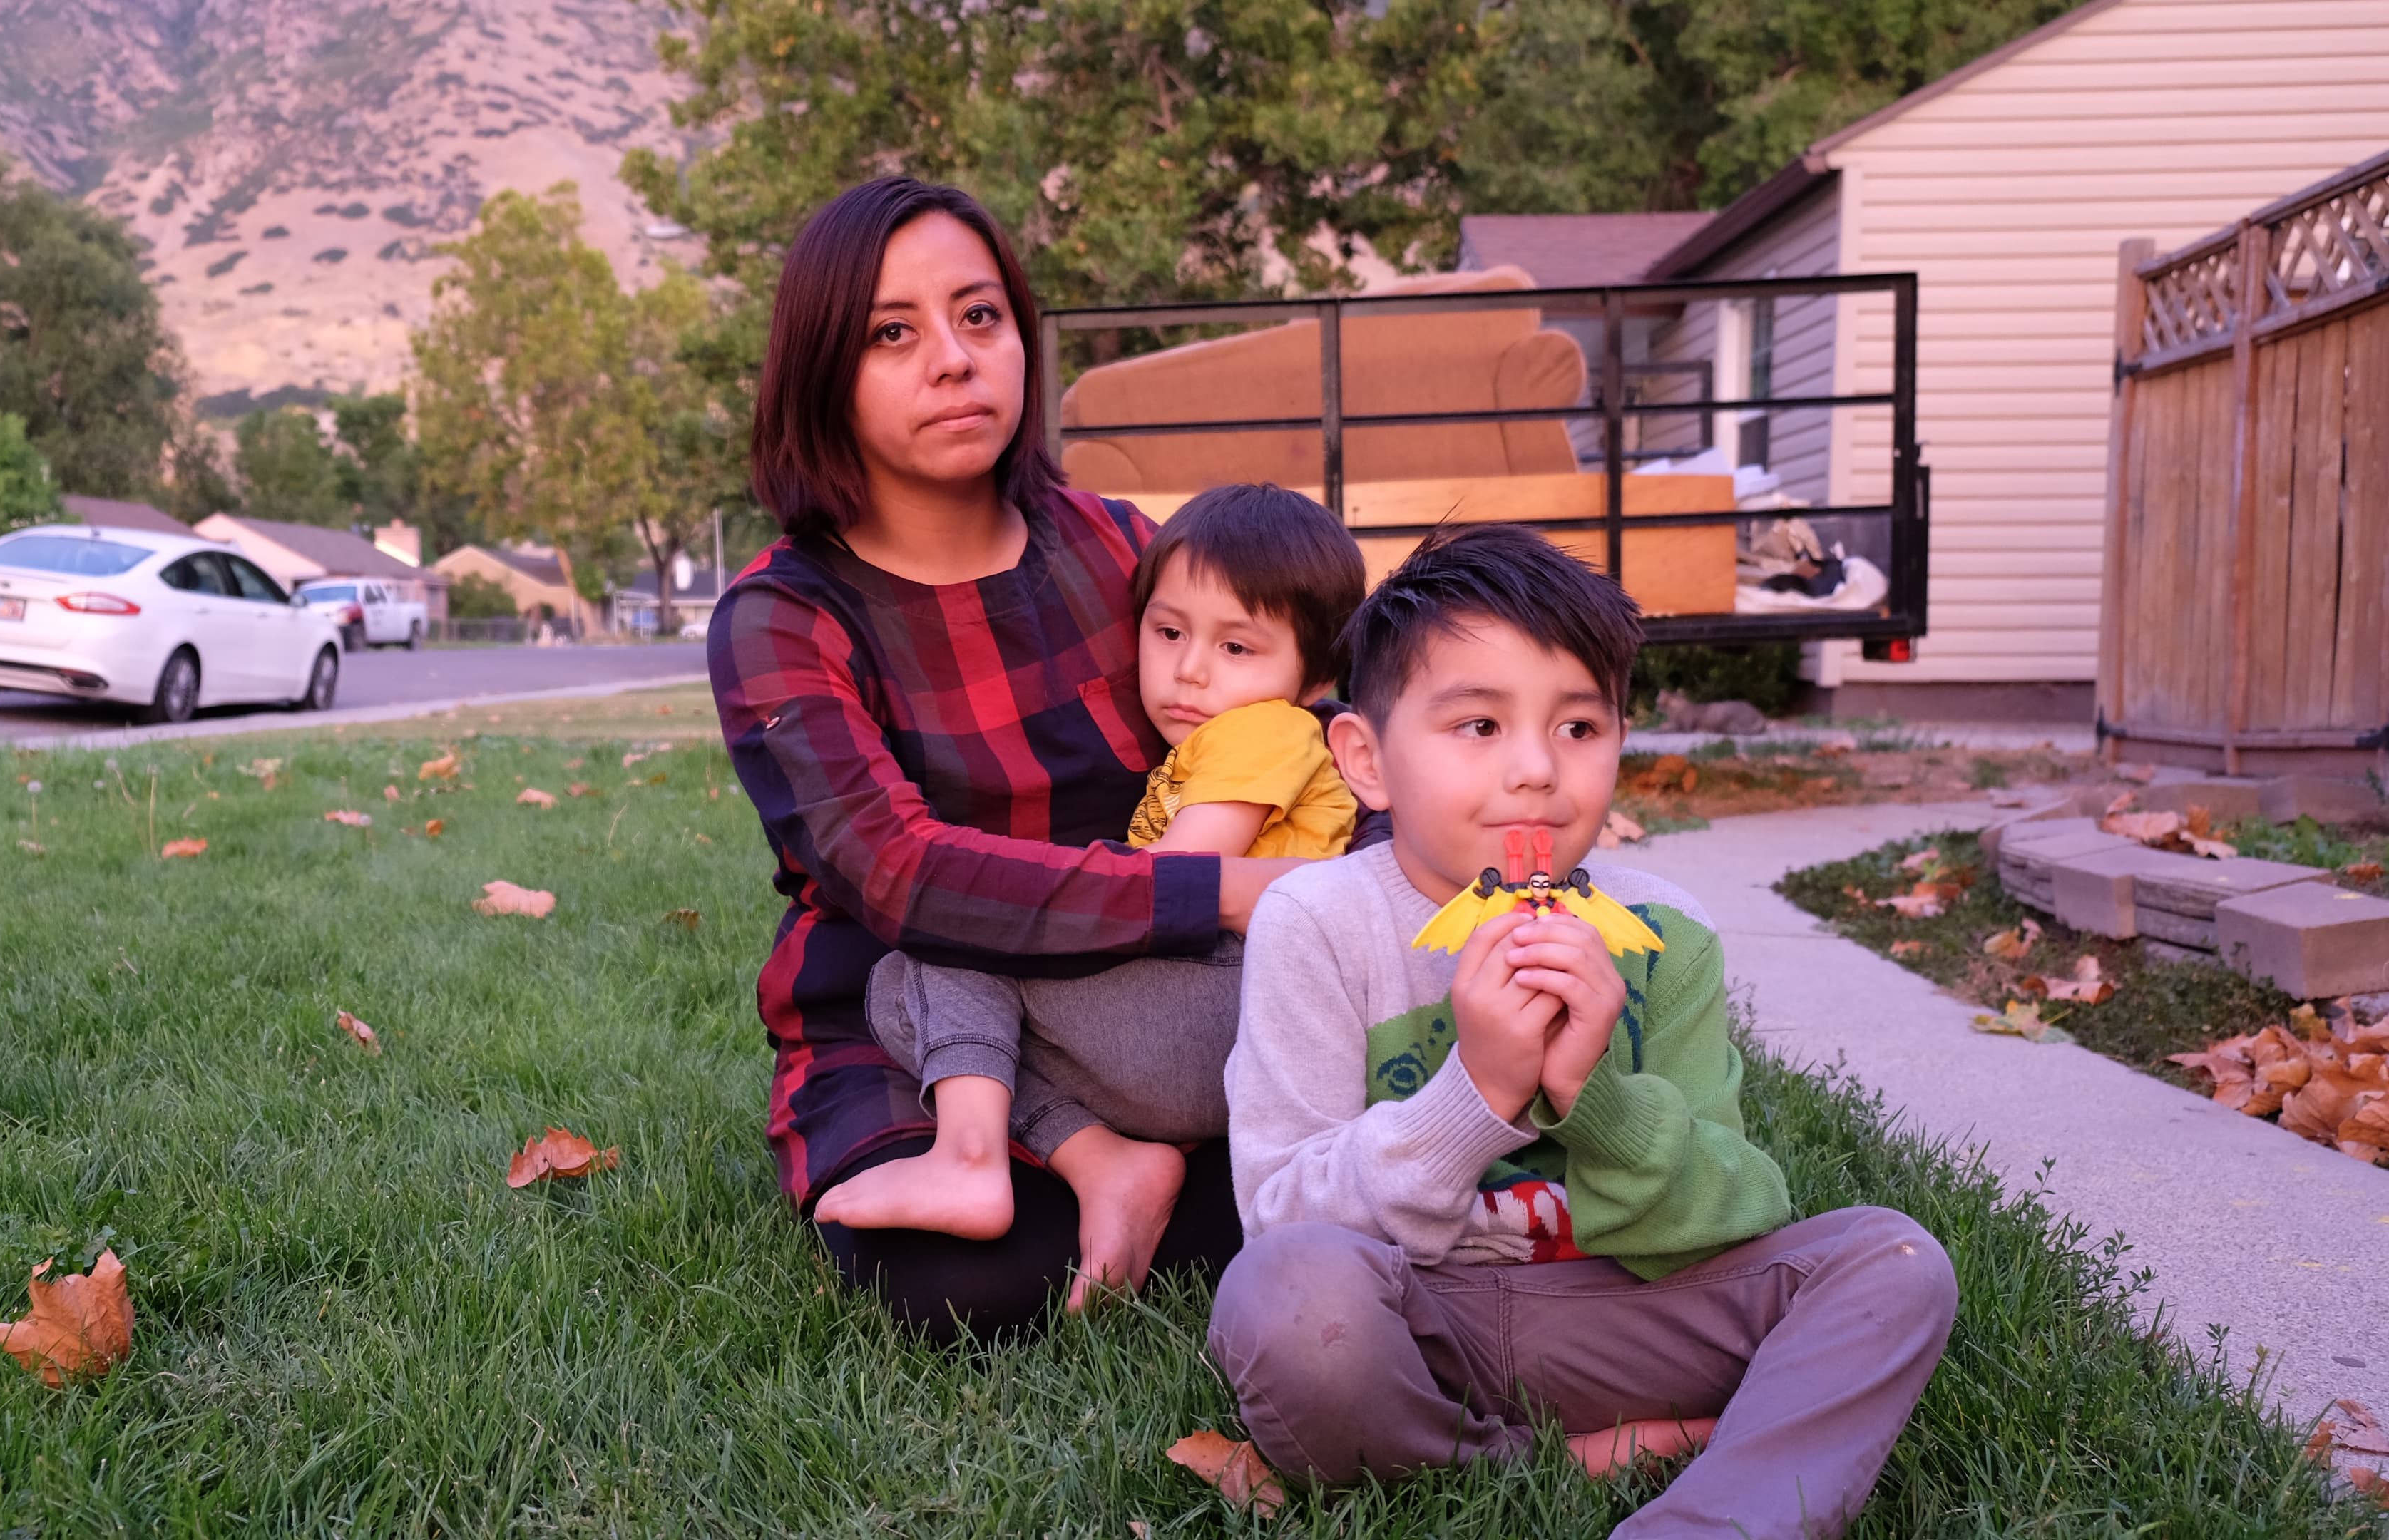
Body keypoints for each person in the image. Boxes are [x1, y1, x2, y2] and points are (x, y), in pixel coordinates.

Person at [1208, 524, 1958, 1536]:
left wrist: (1593, 1097)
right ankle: (1543, 1458)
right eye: (1478, 727)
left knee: (1892, 1262)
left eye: (1579, 728)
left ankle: (1712, 1521)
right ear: (1367, 760)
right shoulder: (1319, 923)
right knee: (1284, 1301)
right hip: (1427, 1319)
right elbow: (1279, 1214)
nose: (1537, 773)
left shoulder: (1667, 934)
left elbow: (1737, 1209)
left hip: (1631, 1311)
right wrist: (1475, 1095)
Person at [707, 177, 1304, 1341]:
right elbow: (898, 877)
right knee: (958, 1282)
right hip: (923, 1023)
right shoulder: (783, 617)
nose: (954, 359)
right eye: (894, 332)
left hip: (1146, 997)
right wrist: (1223, 886)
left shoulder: (1126, 549)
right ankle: (1162, 1169)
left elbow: (1299, 719)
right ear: (824, 369)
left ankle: (1171, 1163)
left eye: (980, 318)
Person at [812, 485, 1366, 1308]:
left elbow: (1179, 877)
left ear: (1315, 673)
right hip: (1201, 1019)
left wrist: (1030, 895)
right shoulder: (1220, 735)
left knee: (957, 933)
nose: (1189, 669)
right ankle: (1101, 1159)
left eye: (1237, 648)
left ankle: (969, 1161)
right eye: (1169, 632)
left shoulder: (1269, 732)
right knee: (903, 993)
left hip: (1236, 1008)